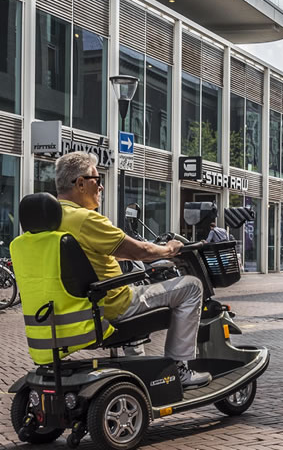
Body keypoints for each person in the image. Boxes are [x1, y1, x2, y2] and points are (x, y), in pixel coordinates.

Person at [53, 152, 211, 387]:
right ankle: (179, 369)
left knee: (134, 283)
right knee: (192, 287)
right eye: (97, 180)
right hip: (111, 306)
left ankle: (138, 366)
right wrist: (169, 249)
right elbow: (141, 252)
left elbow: (104, 252)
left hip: (67, 310)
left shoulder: (50, 219)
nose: (101, 187)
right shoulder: (85, 219)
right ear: (81, 184)